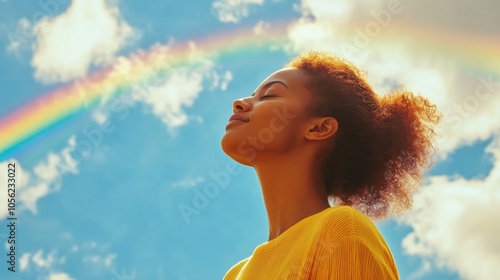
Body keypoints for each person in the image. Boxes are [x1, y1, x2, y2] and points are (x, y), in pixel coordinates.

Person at [221, 51, 440, 279]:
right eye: (253, 95)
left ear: (319, 128)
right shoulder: (235, 274)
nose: (239, 103)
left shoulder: (342, 230)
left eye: (268, 96)